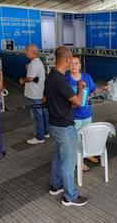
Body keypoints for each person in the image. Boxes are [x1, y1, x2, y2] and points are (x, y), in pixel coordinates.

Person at [45, 46, 88, 207]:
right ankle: (70, 196)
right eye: (72, 59)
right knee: (68, 162)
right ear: (67, 59)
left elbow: (46, 98)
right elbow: (77, 101)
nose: (73, 63)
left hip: (54, 124)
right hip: (64, 126)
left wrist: (61, 103)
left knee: (57, 157)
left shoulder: (51, 76)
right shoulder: (60, 79)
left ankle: (56, 186)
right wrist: (80, 87)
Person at [66, 56, 110, 171]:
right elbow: (62, 97)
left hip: (86, 114)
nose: (74, 65)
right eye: (71, 63)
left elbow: (93, 90)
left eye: (76, 63)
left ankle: (86, 154)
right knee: (76, 140)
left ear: (80, 65)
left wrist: (103, 88)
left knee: (86, 137)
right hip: (73, 116)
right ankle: (78, 162)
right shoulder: (66, 79)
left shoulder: (86, 77)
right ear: (68, 65)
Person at [19, 44, 49, 144]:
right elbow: (35, 78)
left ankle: (39, 137)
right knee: (43, 113)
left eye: (27, 50)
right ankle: (45, 132)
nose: (25, 52)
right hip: (38, 92)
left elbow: (31, 78)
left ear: (33, 52)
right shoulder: (37, 62)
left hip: (34, 93)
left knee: (37, 116)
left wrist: (23, 80)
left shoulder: (34, 64)